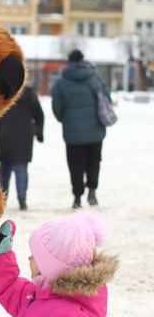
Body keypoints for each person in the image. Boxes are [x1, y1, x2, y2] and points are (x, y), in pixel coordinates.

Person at [51, 49, 112, 209]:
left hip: (72, 133)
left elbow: (57, 108)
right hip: (95, 131)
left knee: (75, 164)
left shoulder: (62, 83)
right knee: (94, 160)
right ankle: (92, 191)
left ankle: (77, 197)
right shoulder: (95, 77)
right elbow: (107, 97)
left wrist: (65, 119)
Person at [0, 84, 44, 210]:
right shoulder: (30, 94)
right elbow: (39, 115)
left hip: (5, 136)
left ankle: (3, 198)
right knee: (21, 169)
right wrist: (39, 132)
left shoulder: (3, 92)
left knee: (5, 169)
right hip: (24, 138)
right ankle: (22, 199)